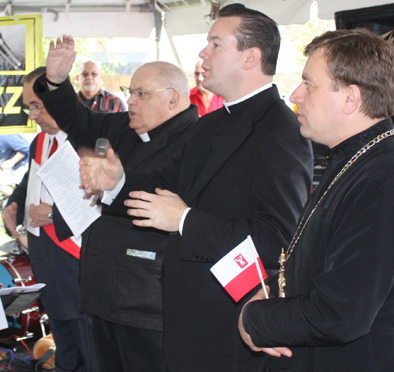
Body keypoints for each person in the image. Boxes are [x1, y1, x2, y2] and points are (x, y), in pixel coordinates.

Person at [75, 4, 313, 371]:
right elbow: (166, 187)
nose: (203, 54)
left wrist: (185, 220)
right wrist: (116, 183)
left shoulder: (281, 132)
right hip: (182, 315)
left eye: (216, 44)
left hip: (229, 325)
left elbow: (276, 239)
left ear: (251, 57)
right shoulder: (209, 123)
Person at [238, 28, 394, 372]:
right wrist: (273, 292)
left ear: (350, 98)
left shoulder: (390, 178)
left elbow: (340, 313)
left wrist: (254, 319)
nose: (295, 94)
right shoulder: (361, 156)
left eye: (310, 84)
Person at [33, 55, 198, 371]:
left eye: (141, 94)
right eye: (129, 91)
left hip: (147, 302)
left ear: (173, 98)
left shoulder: (197, 140)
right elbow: (78, 120)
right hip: (100, 291)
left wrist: (116, 183)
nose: (131, 101)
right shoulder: (122, 126)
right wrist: (55, 82)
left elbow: (159, 192)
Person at [3, 66, 98, 372]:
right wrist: (14, 203)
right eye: (28, 106)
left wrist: (54, 214)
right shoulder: (40, 141)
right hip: (47, 266)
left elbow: (106, 202)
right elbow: (31, 180)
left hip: (79, 267)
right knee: (66, 356)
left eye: (36, 106)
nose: (32, 115)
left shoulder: (91, 139)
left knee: (91, 355)